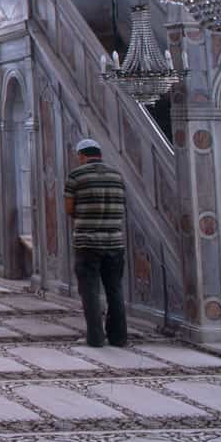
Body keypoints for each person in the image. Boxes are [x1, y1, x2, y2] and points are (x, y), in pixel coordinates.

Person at [64, 137, 128, 347]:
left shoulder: (76, 176)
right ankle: (119, 338)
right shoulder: (116, 175)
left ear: (81, 156)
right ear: (99, 153)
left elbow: (69, 209)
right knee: (115, 290)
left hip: (87, 243)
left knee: (90, 292)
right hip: (115, 243)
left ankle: (95, 338)